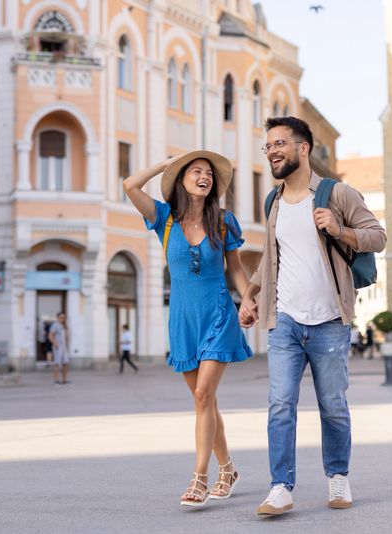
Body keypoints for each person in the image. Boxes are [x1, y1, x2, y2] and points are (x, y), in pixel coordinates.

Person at [239, 116, 386, 515]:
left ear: (303, 148)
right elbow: (271, 258)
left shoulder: (337, 193)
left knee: (333, 405)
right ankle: (280, 486)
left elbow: (378, 236)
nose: (271, 151)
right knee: (280, 404)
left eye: (279, 143)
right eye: (267, 145)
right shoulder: (272, 202)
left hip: (329, 322)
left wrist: (340, 229)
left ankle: (337, 477)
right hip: (284, 318)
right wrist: (250, 295)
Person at [124, 150, 253, 507]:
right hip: (182, 319)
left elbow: (236, 270)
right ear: (181, 179)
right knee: (205, 402)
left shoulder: (224, 221)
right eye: (195, 171)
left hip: (217, 314)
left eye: (208, 173)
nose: (204, 176)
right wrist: (165, 165)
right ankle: (228, 468)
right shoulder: (164, 218)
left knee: (202, 397)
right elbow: (130, 185)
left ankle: (200, 478)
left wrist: (248, 299)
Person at [48, 312, 70, 385]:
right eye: (60, 317)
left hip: (64, 347)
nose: (62, 319)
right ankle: (56, 381)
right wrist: (55, 343)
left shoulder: (64, 326)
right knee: (57, 363)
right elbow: (50, 336)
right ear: (58, 318)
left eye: (63, 318)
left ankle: (64, 380)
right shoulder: (55, 325)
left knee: (65, 363)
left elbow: (66, 337)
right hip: (58, 346)